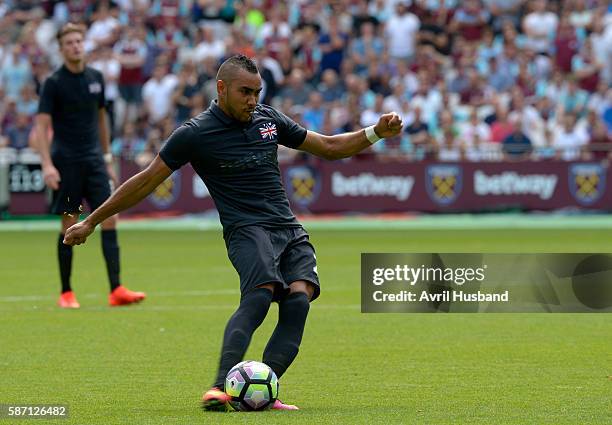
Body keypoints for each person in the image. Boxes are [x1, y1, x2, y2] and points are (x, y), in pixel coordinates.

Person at [63, 54, 402, 410]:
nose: (252, 100)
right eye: (245, 92)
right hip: (246, 229)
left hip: (288, 228)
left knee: (299, 299)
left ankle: (261, 392)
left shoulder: (268, 119)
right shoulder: (194, 134)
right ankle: (219, 387)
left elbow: (330, 147)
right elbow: (146, 180)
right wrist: (91, 221)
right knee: (260, 295)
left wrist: (375, 132)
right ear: (221, 88)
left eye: (257, 92)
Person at [33, 23, 146, 309]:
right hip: (67, 164)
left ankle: (116, 289)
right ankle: (67, 292)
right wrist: (47, 164)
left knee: (110, 217)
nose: (75, 46)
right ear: (61, 48)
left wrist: (107, 158)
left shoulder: (96, 78)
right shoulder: (54, 83)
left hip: (94, 161)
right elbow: (42, 125)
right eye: (69, 42)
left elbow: (101, 120)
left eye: (79, 41)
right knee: (70, 222)